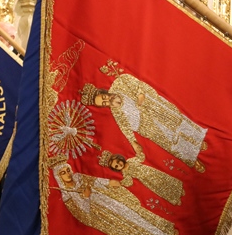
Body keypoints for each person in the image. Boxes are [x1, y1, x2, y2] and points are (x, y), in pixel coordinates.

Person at [52, 162, 177, 235]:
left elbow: (95, 181)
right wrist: (87, 197)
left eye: (68, 170)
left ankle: (165, 232)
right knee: (129, 231)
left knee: (135, 216)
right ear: (59, 177)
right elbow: (83, 216)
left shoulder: (79, 177)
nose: (68, 174)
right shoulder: (67, 196)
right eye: (63, 173)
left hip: (109, 200)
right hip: (104, 216)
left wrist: (109, 183)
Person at [79, 74, 208, 172]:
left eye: (104, 97)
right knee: (168, 142)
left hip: (151, 106)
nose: (107, 101)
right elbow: (124, 126)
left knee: (176, 121)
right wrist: (133, 143)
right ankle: (192, 158)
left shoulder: (120, 82)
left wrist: (140, 94)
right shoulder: (115, 111)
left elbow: (138, 84)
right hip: (145, 126)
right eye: (104, 103)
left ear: (103, 92)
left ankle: (196, 139)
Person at [98, 149, 185, 206]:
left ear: (119, 158)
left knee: (164, 179)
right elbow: (129, 182)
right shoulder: (125, 172)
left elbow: (140, 158)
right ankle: (174, 198)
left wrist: (139, 153)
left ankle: (179, 189)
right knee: (159, 188)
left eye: (118, 162)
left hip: (151, 172)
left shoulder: (130, 161)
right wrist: (121, 183)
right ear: (116, 169)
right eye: (116, 166)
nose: (119, 165)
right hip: (146, 179)